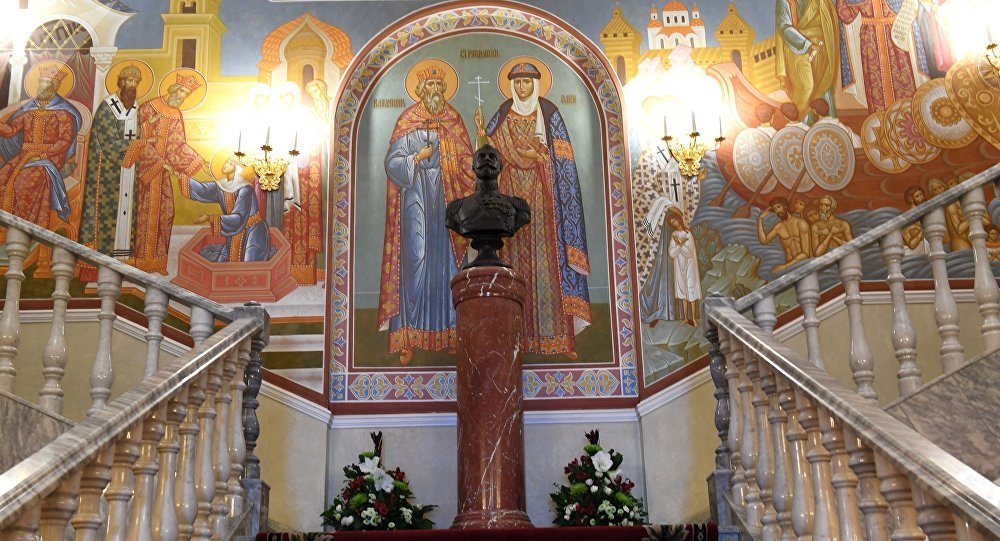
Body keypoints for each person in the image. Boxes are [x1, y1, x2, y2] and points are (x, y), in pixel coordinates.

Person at [475, 60, 591, 359]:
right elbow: (488, 154)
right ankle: (514, 341)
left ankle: (558, 339)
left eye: (527, 81)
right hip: (511, 195)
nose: (522, 86)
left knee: (548, 264)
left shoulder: (550, 114)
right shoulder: (503, 113)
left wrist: (538, 157)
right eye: (517, 82)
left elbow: (563, 163)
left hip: (543, 200)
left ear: (536, 84)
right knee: (512, 262)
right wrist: (481, 132)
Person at [379, 62, 476, 366]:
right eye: (429, 85)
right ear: (421, 90)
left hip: (447, 197)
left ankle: (452, 333)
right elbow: (392, 163)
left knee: (449, 263)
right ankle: (409, 335)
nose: (434, 90)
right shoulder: (407, 120)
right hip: (416, 195)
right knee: (415, 257)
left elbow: (467, 161)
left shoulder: (453, 120)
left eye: (438, 86)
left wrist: (460, 161)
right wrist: (415, 158)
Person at [123, 72, 208, 275]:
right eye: (181, 91)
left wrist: (198, 160)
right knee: (142, 214)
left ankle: (157, 262)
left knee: (166, 213)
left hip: (162, 175)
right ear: (173, 89)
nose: (182, 96)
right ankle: (139, 261)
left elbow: (177, 145)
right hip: (144, 172)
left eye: (186, 94)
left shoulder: (176, 114)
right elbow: (136, 138)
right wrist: (159, 162)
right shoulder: (149, 107)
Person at [0, 64, 81, 236]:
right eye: (41, 82)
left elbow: (65, 140)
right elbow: (12, 130)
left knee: (23, 182)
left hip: (50, 157)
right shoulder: (30, 111)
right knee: (3, 176)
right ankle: (5, 231)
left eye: (46, 83)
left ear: (54, 87)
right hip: (25, 155)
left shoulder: (62, 114)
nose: (42, 86)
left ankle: (25, 231)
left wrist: (44, 154)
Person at [80, 64, 144, 277]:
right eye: (128, 81)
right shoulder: (108, 107)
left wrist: (141, 145)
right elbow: (107, 140)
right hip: (107, 171)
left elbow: (140, 135)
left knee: (127, 209)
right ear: (121, 82)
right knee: (107, 212)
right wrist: (134, 146)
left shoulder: (135, 108)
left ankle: (123, 255)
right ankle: (101, 257)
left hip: (129, 172)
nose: (131, 85)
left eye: (135, 82)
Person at [181, 155, 273, 262]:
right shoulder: (222, 186)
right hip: (234, 232)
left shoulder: (245, 189)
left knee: (249, 264)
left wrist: (209, 218)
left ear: (237, 169)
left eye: (230, 163)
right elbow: (203, 190)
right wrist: (181, 177)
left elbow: (239, 218)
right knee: (222, 264)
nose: (225, 165)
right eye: (226, 162)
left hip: (252, 233)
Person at [776, 0, 839, 118]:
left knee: (822, 86)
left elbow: (829, 19)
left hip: (820, 48)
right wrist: (807, 44)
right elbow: (784, 27)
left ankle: (826, 123)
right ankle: (799, 121)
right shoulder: (784, 1)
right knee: (806, 87)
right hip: (797, 48)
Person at [666, 208, 701, 326]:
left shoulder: (688, 234)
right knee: (683, 291)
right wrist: (680, 245)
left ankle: (694, 318)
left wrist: (679, 245)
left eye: (675, 221)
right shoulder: (674, 235)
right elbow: (671, 253)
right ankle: (686, 318)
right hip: (679, 266)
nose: (674, 224)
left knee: (691, 290)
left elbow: (689, 252)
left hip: (690, 266)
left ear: (679, 220)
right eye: (672, 223)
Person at [758, 196, 812, 272]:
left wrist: (785, 266)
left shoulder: (801, 223)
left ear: (785, 206)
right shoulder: (779, 227)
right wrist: (760, 219)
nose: (777, 211)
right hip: (790, 267)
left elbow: (806, 254)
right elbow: (764, 241)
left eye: (778, 207)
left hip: (805, 264)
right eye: (775, 209)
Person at [902, 186, 929, 256]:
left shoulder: (922, 213)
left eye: (921, 194)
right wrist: (923, 230)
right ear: (911, 199)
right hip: (911, 254)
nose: (921, 198)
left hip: (923, 249)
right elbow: (912, 245)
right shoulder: (907, 217)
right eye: (917, 196)